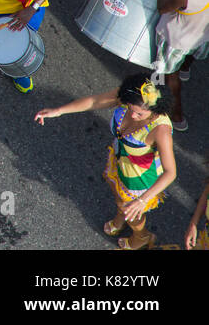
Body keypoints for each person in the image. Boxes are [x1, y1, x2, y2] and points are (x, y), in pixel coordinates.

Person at [35, 75, 177, 250]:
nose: (133, 115)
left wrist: (141, 200)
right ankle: (120, 218)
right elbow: (94, 102)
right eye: (131, 109)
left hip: (138, 177)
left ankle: (141, 235)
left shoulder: (161, 130)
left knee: (132, 209)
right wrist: (58, 111)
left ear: (155, 110)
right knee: (118, 196)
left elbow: (171, 172)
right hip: (120, 160)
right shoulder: (130, 96)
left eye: (140, 113)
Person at [153, 0, 209, 131]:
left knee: (170, 76)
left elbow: (162, 7)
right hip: (201, 37)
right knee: (191, 55)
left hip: (177, 40)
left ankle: (177, 116)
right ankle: (185, 68)